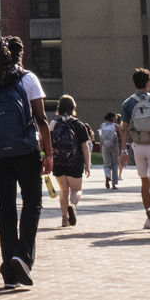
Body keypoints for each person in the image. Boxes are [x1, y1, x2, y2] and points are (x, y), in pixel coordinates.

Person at [0, 36, 52, 290]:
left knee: (6, 208)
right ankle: (22, 257)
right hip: (26, 151)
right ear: (21, 55)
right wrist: (48, 154)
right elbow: (41, 118)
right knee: (32, 203)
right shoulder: (27, 78)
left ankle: (9, 270)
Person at [121, 68, 150, 232]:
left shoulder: (127, 103)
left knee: (144, 182)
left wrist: (123, 150)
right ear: (149, 82)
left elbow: (124, 128)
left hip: (137, 145)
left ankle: (148, 218)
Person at [48, 94, 90, 227]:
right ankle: (72, 205)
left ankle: (64, 218)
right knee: (76, 190)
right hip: (74, 162)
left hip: (58, 162)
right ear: (73, 108)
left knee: (63, 191)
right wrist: (87, 165)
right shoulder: (79, 125)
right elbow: (84, 147)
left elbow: (47, 144)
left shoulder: (53, 123)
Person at [98, 112, 122, 189]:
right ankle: (114, 184)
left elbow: (100, 136)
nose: (116, 119)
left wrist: (101, 147)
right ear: (112, 118)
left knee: (106, 163)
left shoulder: (102, 125)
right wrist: (121, 148)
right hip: (114, 146)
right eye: (115, 117)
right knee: (115, 164)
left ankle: (107, 176)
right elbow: (121, 138)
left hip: (105, 146)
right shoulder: (116, 126)